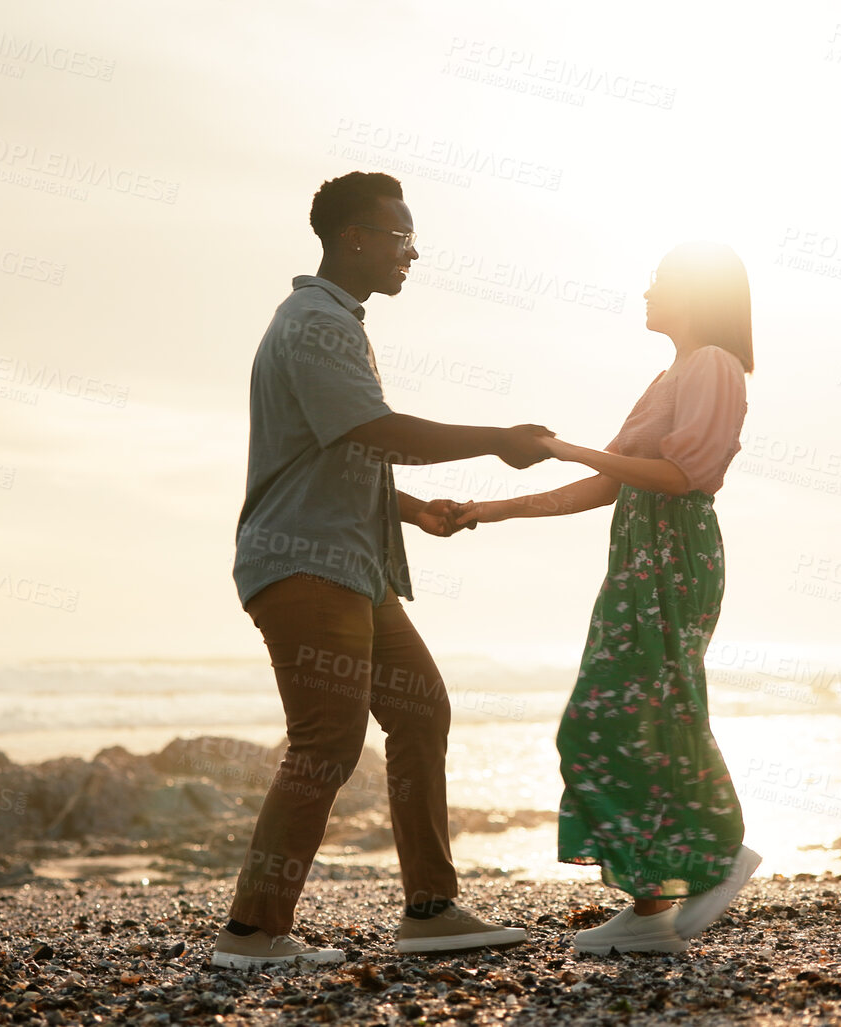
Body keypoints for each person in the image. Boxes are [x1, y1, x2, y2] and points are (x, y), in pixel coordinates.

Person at [217, 171, 550, 970]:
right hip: (304, 566)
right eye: (400, 237)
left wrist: (408, 510)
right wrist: (496, 438)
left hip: (354, 567)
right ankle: (252, 934)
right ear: (353, 239)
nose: (411, 252)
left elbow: (337, 448)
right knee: (326, 741)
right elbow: (375, 430)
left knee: (421, 709)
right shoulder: (315, 322)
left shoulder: (335, 322)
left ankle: (430, 907)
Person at [455, 242, 762, 955]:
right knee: (631, 719)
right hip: (639, 554)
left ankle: (716, 858)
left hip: (674, 553)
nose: (646, 290)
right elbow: (604, 485)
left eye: (659, 281)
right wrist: (485, 509)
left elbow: (681, 473)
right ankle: (653, 903)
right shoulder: (671, 374)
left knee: (626, 712)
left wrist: (568, 447)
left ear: (694, 294)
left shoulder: (713, 363)